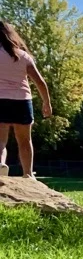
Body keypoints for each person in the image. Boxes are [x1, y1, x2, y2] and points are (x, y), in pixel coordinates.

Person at [0, 22, 52, 179]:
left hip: (1, 100)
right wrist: (46, 103)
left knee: (0, 140)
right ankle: (28, 174)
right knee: (24, 140)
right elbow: (40, 82)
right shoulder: (23, 56)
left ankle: (1, 165)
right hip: (22, 102)